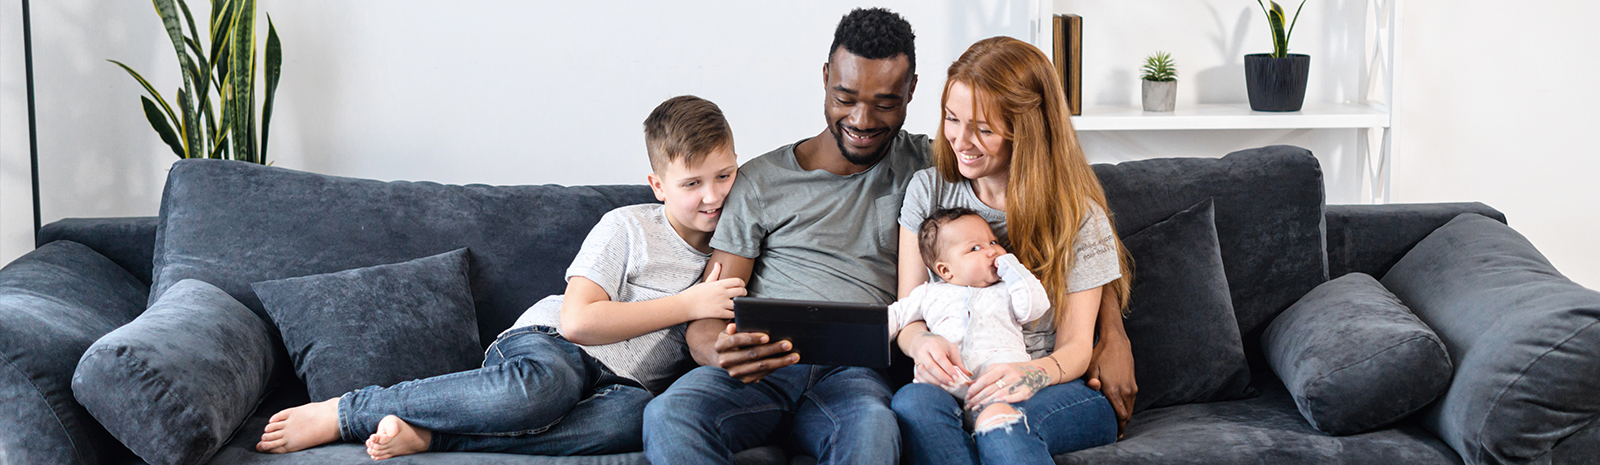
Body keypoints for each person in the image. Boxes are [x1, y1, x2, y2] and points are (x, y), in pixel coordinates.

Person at [254, 95, 746, 460]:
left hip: (623, 387)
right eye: (691, 183)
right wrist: (690, 305)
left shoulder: (743, 241)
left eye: (724, 176)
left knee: (634, 420)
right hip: (553, 346)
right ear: (657, 186)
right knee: (546, 387)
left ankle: (431, 436)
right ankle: (347, 411)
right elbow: (578, 322)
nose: (713, 195)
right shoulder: (629, 226)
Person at [641, 8, 923, 465]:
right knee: (669, 414)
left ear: (912, 90)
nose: (862, 118)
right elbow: (707, 315)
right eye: (845, 96)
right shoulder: (760, 181)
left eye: (885, 102)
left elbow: (1032, 170)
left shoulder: (929, 167)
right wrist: (720, 351)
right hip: (760, 369)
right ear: (825, 77)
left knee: (872, 429)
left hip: (853, 376)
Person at [890, 36, 1137, 465]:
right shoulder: (927, 191)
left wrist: (1032, 375)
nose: (960, 140)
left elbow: (1077, 347)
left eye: (983, 129)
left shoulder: (1078, 216)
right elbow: (908, 312)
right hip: (957, 384)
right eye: (952, 118)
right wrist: (922, 343)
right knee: (912, 404)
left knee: (998, 421)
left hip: (1050, 386)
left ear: (1028, 130)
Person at [887, 207, 1051, 420]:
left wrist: (1013, 268)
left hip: (999, 375)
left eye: (993, 242)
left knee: (1006, 368)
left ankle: (995, 419)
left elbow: (1035, 307)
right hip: (950, 375)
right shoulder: (929, 293)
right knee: (926, 381)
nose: (992, 251)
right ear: (945, 270)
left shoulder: (1007, 289)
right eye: (975, 248)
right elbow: (895, 316)